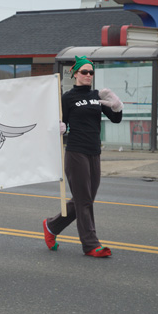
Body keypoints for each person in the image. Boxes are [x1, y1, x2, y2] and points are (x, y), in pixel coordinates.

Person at [43, 56, 123, 258]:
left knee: (85, 199)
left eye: (91, 72)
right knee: (84, 200)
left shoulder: (97, 96)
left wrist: (116, 105)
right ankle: (91, 244)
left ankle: (52, 226)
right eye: (84, 72)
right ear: (75, 74)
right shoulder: (68, 98)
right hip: (76, 152)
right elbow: (58, 122)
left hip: (94, 152)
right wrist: (59, 127)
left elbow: (115, 118)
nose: (88, 75)